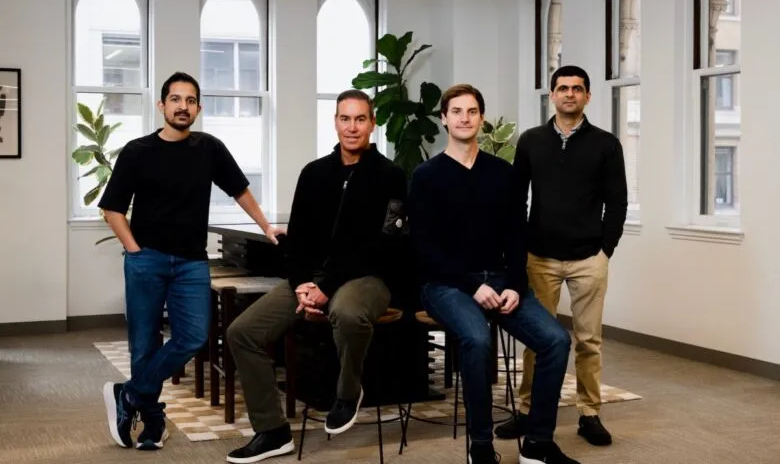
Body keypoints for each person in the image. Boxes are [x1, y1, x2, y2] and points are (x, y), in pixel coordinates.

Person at [98, 71, 285, 451]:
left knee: (194, 337)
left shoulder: (209, 148)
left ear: (197, 108)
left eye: (190, 100)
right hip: (145, 260)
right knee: (144, 345)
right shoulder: (137, 151)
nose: (183, 106)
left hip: (191, 264)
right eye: (176, 99)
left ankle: (129, 394)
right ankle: (152, 423)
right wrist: (134, 250)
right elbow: (112, 209)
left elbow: (240, 191)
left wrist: (266, 226)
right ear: (162, 104)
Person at [224, 89, 407, 463]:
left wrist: (324, 287)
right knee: (242, 332)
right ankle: (273, 432)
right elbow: (298, 241)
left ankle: (347, 391)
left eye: (360, 119)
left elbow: (383, 245)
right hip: (312, 280)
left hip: (368, 279)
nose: (352, 127)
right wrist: (303, 283)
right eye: (345, 118)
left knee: (348, 312)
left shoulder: (391, 176)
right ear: (335, 121)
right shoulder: (314, 173)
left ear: (372, 123)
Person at [408, 84, 579, 464]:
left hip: (502, 280)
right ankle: (481, 447)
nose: (464, 118)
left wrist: (516, 284)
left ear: (481, 119)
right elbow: (424, 248)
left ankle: (537, 444)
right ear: (444, 119)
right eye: (456, 111)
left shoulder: (503, 173)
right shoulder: (426, 176)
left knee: (555, 340)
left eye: (472, 111)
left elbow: (517, 234)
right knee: (477, 340)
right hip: (447, 284)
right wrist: (473, 285)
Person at [495, 65, 628, 446]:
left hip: (589, 259)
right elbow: (516, 199)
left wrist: (606, 248)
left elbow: (617, 201)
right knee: (539, 339)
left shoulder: (606, 144)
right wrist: (518, 248)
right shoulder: (531, 141)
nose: (569, 94)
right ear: (551, 95)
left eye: (577, 89)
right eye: (563, 88)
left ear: (587, 96)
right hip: (540, 258)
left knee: (589, 341)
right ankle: (528, 411)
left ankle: (590, 414)